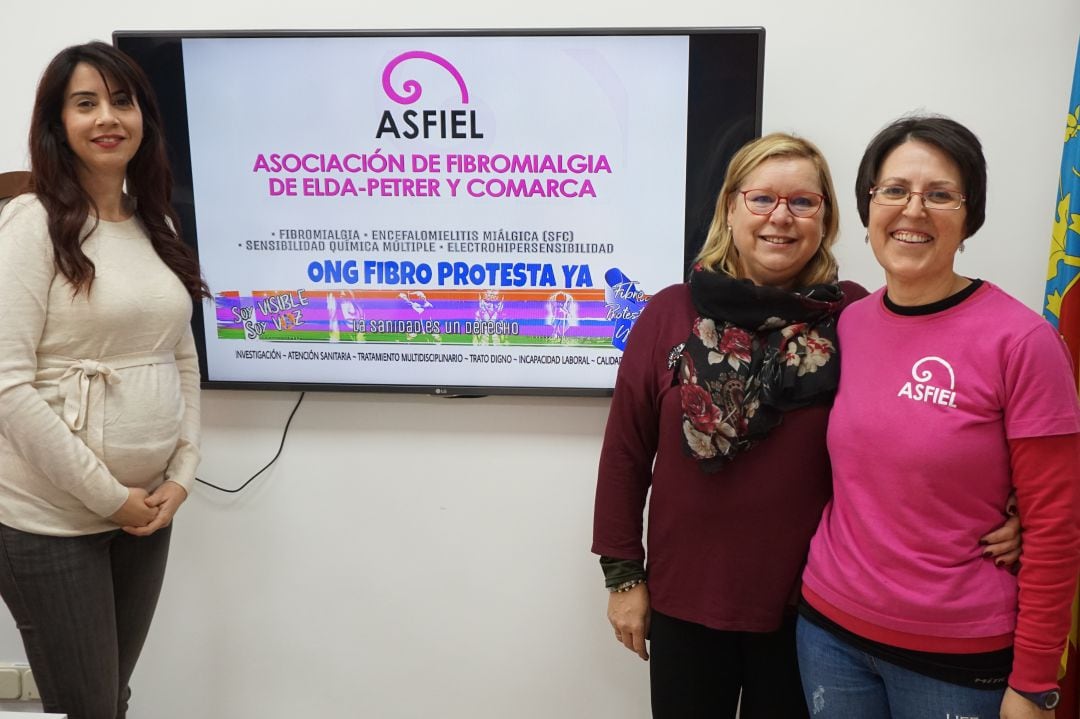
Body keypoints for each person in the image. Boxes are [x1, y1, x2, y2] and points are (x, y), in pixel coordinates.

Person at [591, 132, 1022, 718]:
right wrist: (623, 578)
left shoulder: (854, 315)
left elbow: (919, 426)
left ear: (827, 219)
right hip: (684, 595)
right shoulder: (669, 311)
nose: (780, 218)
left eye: (803, 202)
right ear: (730, 209)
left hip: (811, 612)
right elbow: (624, 454)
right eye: (761, 199)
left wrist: (1012, 507)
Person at [797, 115, 1080, 719]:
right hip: (828, 632)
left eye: (940, 194)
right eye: (894, 190)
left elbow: (1055, 526)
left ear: (969, 213)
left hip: (958, 656)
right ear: (868, 206)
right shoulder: (849, 324)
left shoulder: (1023, 341)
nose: (913, 210)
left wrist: (1034, 683)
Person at [0, 42, 208, 718]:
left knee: (109, 694)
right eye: (85, 103)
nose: (107, 117)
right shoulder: (31, 226)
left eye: (121, 100)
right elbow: (7, 386)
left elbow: (180, 355)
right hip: (50, 517)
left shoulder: (157, 220)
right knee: (85, 704)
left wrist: (181, 471)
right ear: (57, 124)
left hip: (146, 511)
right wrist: (106, 494)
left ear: (144, 116)